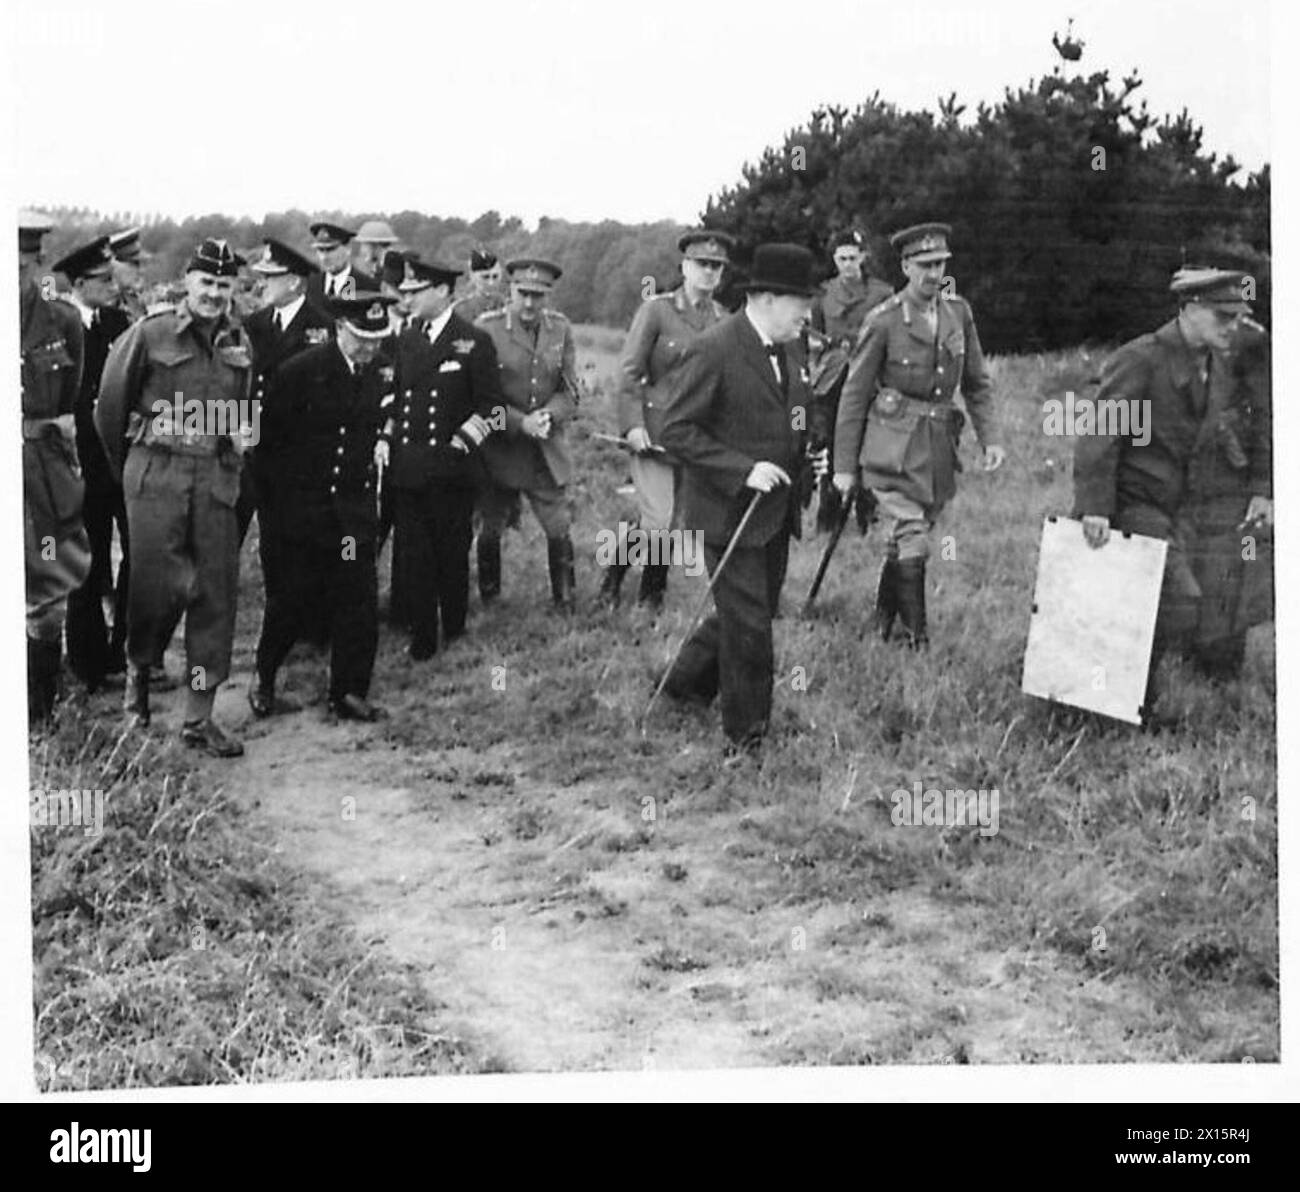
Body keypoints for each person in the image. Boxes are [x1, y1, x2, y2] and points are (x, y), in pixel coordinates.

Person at [1073, 266, 1270, 721]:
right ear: (1189, 309)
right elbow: (1099, 435)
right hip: (1136, 502)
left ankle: (1141, 693)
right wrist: (1095, 509)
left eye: (1239, 318)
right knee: (1173, 600)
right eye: (1223, 318)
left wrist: (1259, 489)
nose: (1233, 328)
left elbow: (1252, 422)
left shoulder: (1220, 361)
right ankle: (1125, 701)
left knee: (1204, 595)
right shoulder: (1141, 358)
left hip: (1185, 504)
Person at [658, 243, 822, 764]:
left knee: (748, 610)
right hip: (727, 512)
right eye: (800, 302)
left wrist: (808, 457)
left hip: (774, 514)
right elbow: (675, 430)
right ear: (768, 298)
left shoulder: (793, 348)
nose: (807, 314)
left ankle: (684, 685)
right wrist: (742, 470)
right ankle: (746, 741)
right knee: (751, 625)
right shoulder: (715, 349)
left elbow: (795, 418)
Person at [95, 238, 253, 756]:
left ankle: (198, 717)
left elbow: (242, 404)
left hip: (214, 480)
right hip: (157, 475)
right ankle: (137, 681)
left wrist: (238, 434)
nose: (214, 294)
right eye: (206, 283)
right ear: (187, 282)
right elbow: (109, 410)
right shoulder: (151, 332)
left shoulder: (239, 340)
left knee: (214, 595)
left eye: (223, 285)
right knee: (157, 590)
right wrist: (134, 475)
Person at [833, 222, 1005, 647]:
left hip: (936, 448)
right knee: (913, 532)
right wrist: (843, 468)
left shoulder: (958, 313)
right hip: (890, 447)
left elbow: (977, 382)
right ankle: (916, 640)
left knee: (910, 532)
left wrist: (991, 437)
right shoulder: (885, 320)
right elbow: (854, 396)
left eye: (940, 264)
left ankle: (881, 622)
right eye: (925, 265)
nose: (933, 273)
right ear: (906, 266)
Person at [250, 293, 396, 722]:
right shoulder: (301, 372)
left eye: (376, 340)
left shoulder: (379, 375)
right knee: (290, 600)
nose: (370, 349)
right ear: (339, 330)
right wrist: (275, 511)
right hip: (301, 513)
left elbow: (377, 427)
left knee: (357, 598)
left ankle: (349, 690)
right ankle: (263, 677)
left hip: (350, 515)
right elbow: (267, 444)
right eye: (361, 339)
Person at [598, 229, 733, 610]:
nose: (708, 273)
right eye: (701, 264)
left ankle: (616, 573)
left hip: (694, 438)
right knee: (658, 519)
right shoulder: (657, 310)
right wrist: (633, 426)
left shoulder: (725, 319)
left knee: (672, 523)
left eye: (716, 266)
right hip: (653, 433)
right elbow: (629, 372)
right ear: (684, 266)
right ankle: (648, 598)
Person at [383, 257, 503, 659]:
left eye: (417, 291)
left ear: (442, 292)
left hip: (453, 471)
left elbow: (492, 409)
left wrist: (461, 443)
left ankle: (454, 625)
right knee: (414, 555)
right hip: (409, 468)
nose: (408, 298)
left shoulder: (474, 340)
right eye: (407, 291)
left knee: (452, 553)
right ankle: (421, 637)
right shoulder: (406, 339)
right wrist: (387, 438)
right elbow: (396, 399)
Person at [242, 238, 334, 638]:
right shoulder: (254, 325)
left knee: (300, 540)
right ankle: (277, 622)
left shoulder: (322, 328)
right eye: (261, 276)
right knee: (265, 543)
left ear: (295, 282)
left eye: (271, 277)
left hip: (300, 455)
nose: (262, 283)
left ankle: (308, 625)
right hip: (256, 452)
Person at [20, 210, 91, 725]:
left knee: (46, 593)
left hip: (40, 465)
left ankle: (40, 712)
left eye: (26, 259)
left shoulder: (61, 320)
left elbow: (69, 401)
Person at [475, 258, 578, 610]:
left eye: (539, 295)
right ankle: (490, 598)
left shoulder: (560, 329)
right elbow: (479, 397)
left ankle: (564, 599)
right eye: (523, 294)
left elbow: (570, 390)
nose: (531, 304)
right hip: (501, 447)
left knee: (559, 524)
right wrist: (522, 422)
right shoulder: (487, 330)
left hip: (544, 449)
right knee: (491, 526)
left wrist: (550, 414)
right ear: (510, 290)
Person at [55, 236, 133, 692]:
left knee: (139, 558)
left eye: (112, 277)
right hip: (81, 465)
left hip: (121, 463)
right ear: (81, 282)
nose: (112, 285)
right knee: (86, 565)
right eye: (104, 279)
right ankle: (88, 663)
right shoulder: (59, 325)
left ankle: (123, 651)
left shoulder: (119, 323)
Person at [304, 222, 376, 316]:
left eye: (331, 250)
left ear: (347, 249)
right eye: (320, 250)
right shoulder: (312, 283)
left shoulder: (367, 286)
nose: (324, 257)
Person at [454, 247, 506, 323]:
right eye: (485, 277)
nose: (491, 282)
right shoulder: (462, 308)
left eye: (495, 276)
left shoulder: (504, 302)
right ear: (472, 277)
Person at [108, 227, 148, 321]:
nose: (141, 271)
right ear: (115, 265)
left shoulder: (134, 300)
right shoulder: (106, 309)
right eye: (134, 264)